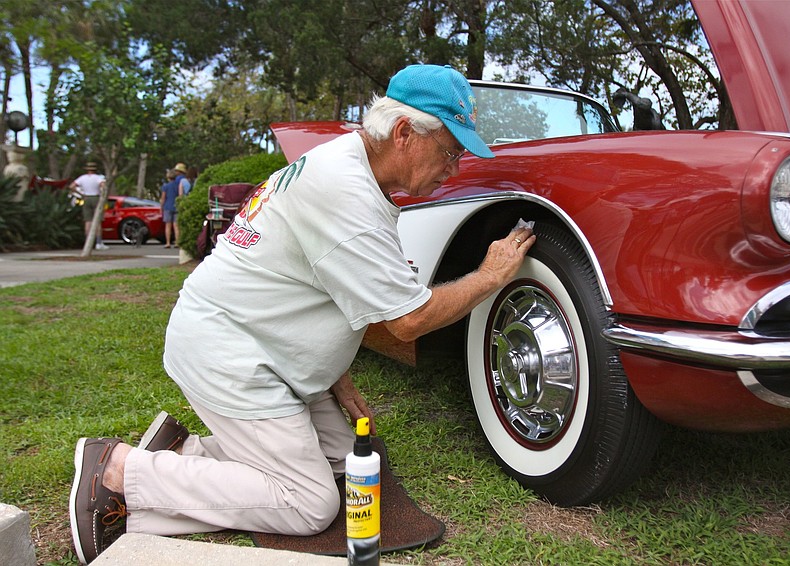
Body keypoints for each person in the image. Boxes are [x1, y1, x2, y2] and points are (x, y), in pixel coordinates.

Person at [68, 64, 536, 564]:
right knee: (309, 503)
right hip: (230, 353)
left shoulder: (345, 163)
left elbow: (323, 283)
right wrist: (490, 276)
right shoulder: (345, 192)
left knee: (340, 460)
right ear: (404, 133)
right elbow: (408, 321)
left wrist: (336, 377)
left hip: (263, 347)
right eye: (451, 150)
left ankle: (182, 457)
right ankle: (118, 472)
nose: (455, 167)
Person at [69, 162, 109, 250]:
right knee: (97, 220)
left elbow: (71, 186)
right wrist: (103, 194)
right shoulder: (98, 178)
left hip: (86, 198)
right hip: (95, 197)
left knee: (88, 221)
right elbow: (103, 186)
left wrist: (81, 193)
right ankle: (99, 243)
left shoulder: (82, 178)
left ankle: (88, 242)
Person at [159, 168, 183, 248]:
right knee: (176, 226)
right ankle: (177, 242)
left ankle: (168, 242)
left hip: (167, 206)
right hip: (176, 206)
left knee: (168, 225)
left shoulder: (165, 186)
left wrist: (161, 207)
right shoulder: (178, 185)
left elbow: (163, 197)